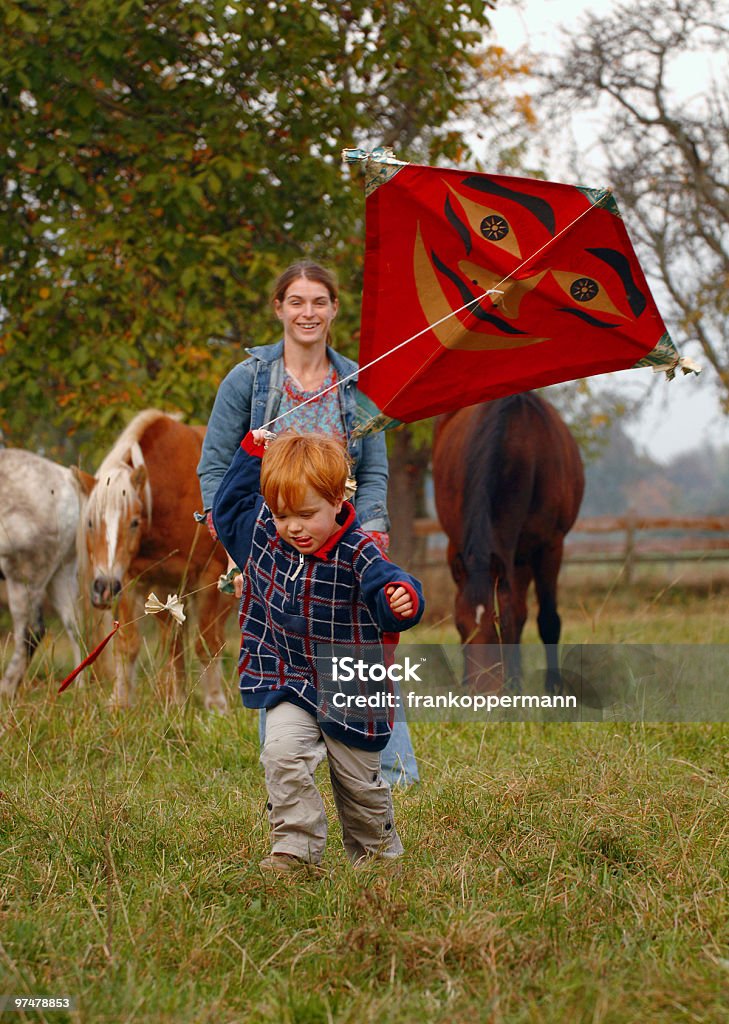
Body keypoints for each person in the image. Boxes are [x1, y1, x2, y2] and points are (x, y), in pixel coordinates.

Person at [197, 261, 420, 785]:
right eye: (296, 301)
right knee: (275, 650)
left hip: (343, 540)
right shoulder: (249, 379)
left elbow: (373, 470)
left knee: (364, 655)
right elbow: (215, 465)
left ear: (335, 309)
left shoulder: (357, 384)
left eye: (319, 301)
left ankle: (392, 773)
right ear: (278, 308)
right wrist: (235, 547)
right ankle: (287, 776)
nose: (308, 312)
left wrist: (370, 538)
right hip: (270, 540)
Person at [212, 429, 424, 871]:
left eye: (306, 515)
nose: (293, 527)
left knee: (359, 786)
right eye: (282, 514)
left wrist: (400, 599)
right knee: (281, 754)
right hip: (289, 677)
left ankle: (378, 858)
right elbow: (229, 508)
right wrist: (252, 452)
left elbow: (388, 584)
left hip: (349, 687)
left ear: (336, 501)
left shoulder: (356, 551)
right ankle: (295, 852)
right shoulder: (266, 536)